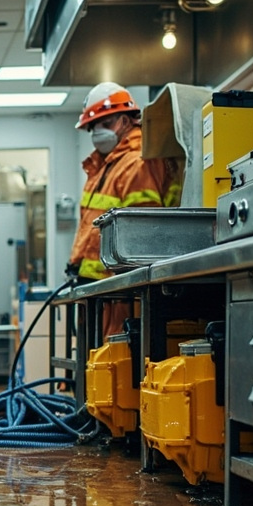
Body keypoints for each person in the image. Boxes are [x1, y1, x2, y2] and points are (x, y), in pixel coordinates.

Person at [67, 82, 182, 340]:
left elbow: (142, 230)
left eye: (104, 124)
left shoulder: (136, 162)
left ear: (124, 120)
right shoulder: (106, 166)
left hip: (120, 291)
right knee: (98, 364)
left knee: (113, 364)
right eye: (93, 127)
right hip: (100, 289)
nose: (97, 132)